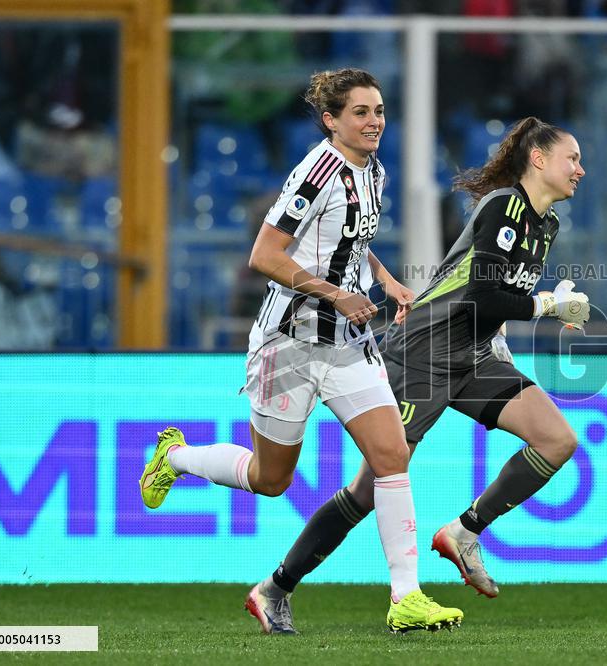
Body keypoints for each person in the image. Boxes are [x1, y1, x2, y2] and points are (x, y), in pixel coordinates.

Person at [139, 68, 463, 635]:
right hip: (288, 345)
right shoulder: (317, 173)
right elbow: (264, 255)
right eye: (360, 112)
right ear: (331, 120)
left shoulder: (374, 170)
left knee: (391, 455)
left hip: (347, 344)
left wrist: (384, 279)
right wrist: (337, 294)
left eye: (379, 111)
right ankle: (176, 458)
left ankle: (406, 596)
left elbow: (348, 242)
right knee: (271, 479)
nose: (374, 122)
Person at [250, 117, 591, 632]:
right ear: (539, 159)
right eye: (573, 158)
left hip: (474, 354)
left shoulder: (546, 225)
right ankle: (275, 588)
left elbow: (496, 302)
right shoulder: (503, 207)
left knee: (557, 440)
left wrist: (507, 340)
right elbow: (484, 295)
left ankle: (464, 532)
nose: (580, 170)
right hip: (423, 353)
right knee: (369, 490)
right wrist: (549, 305)